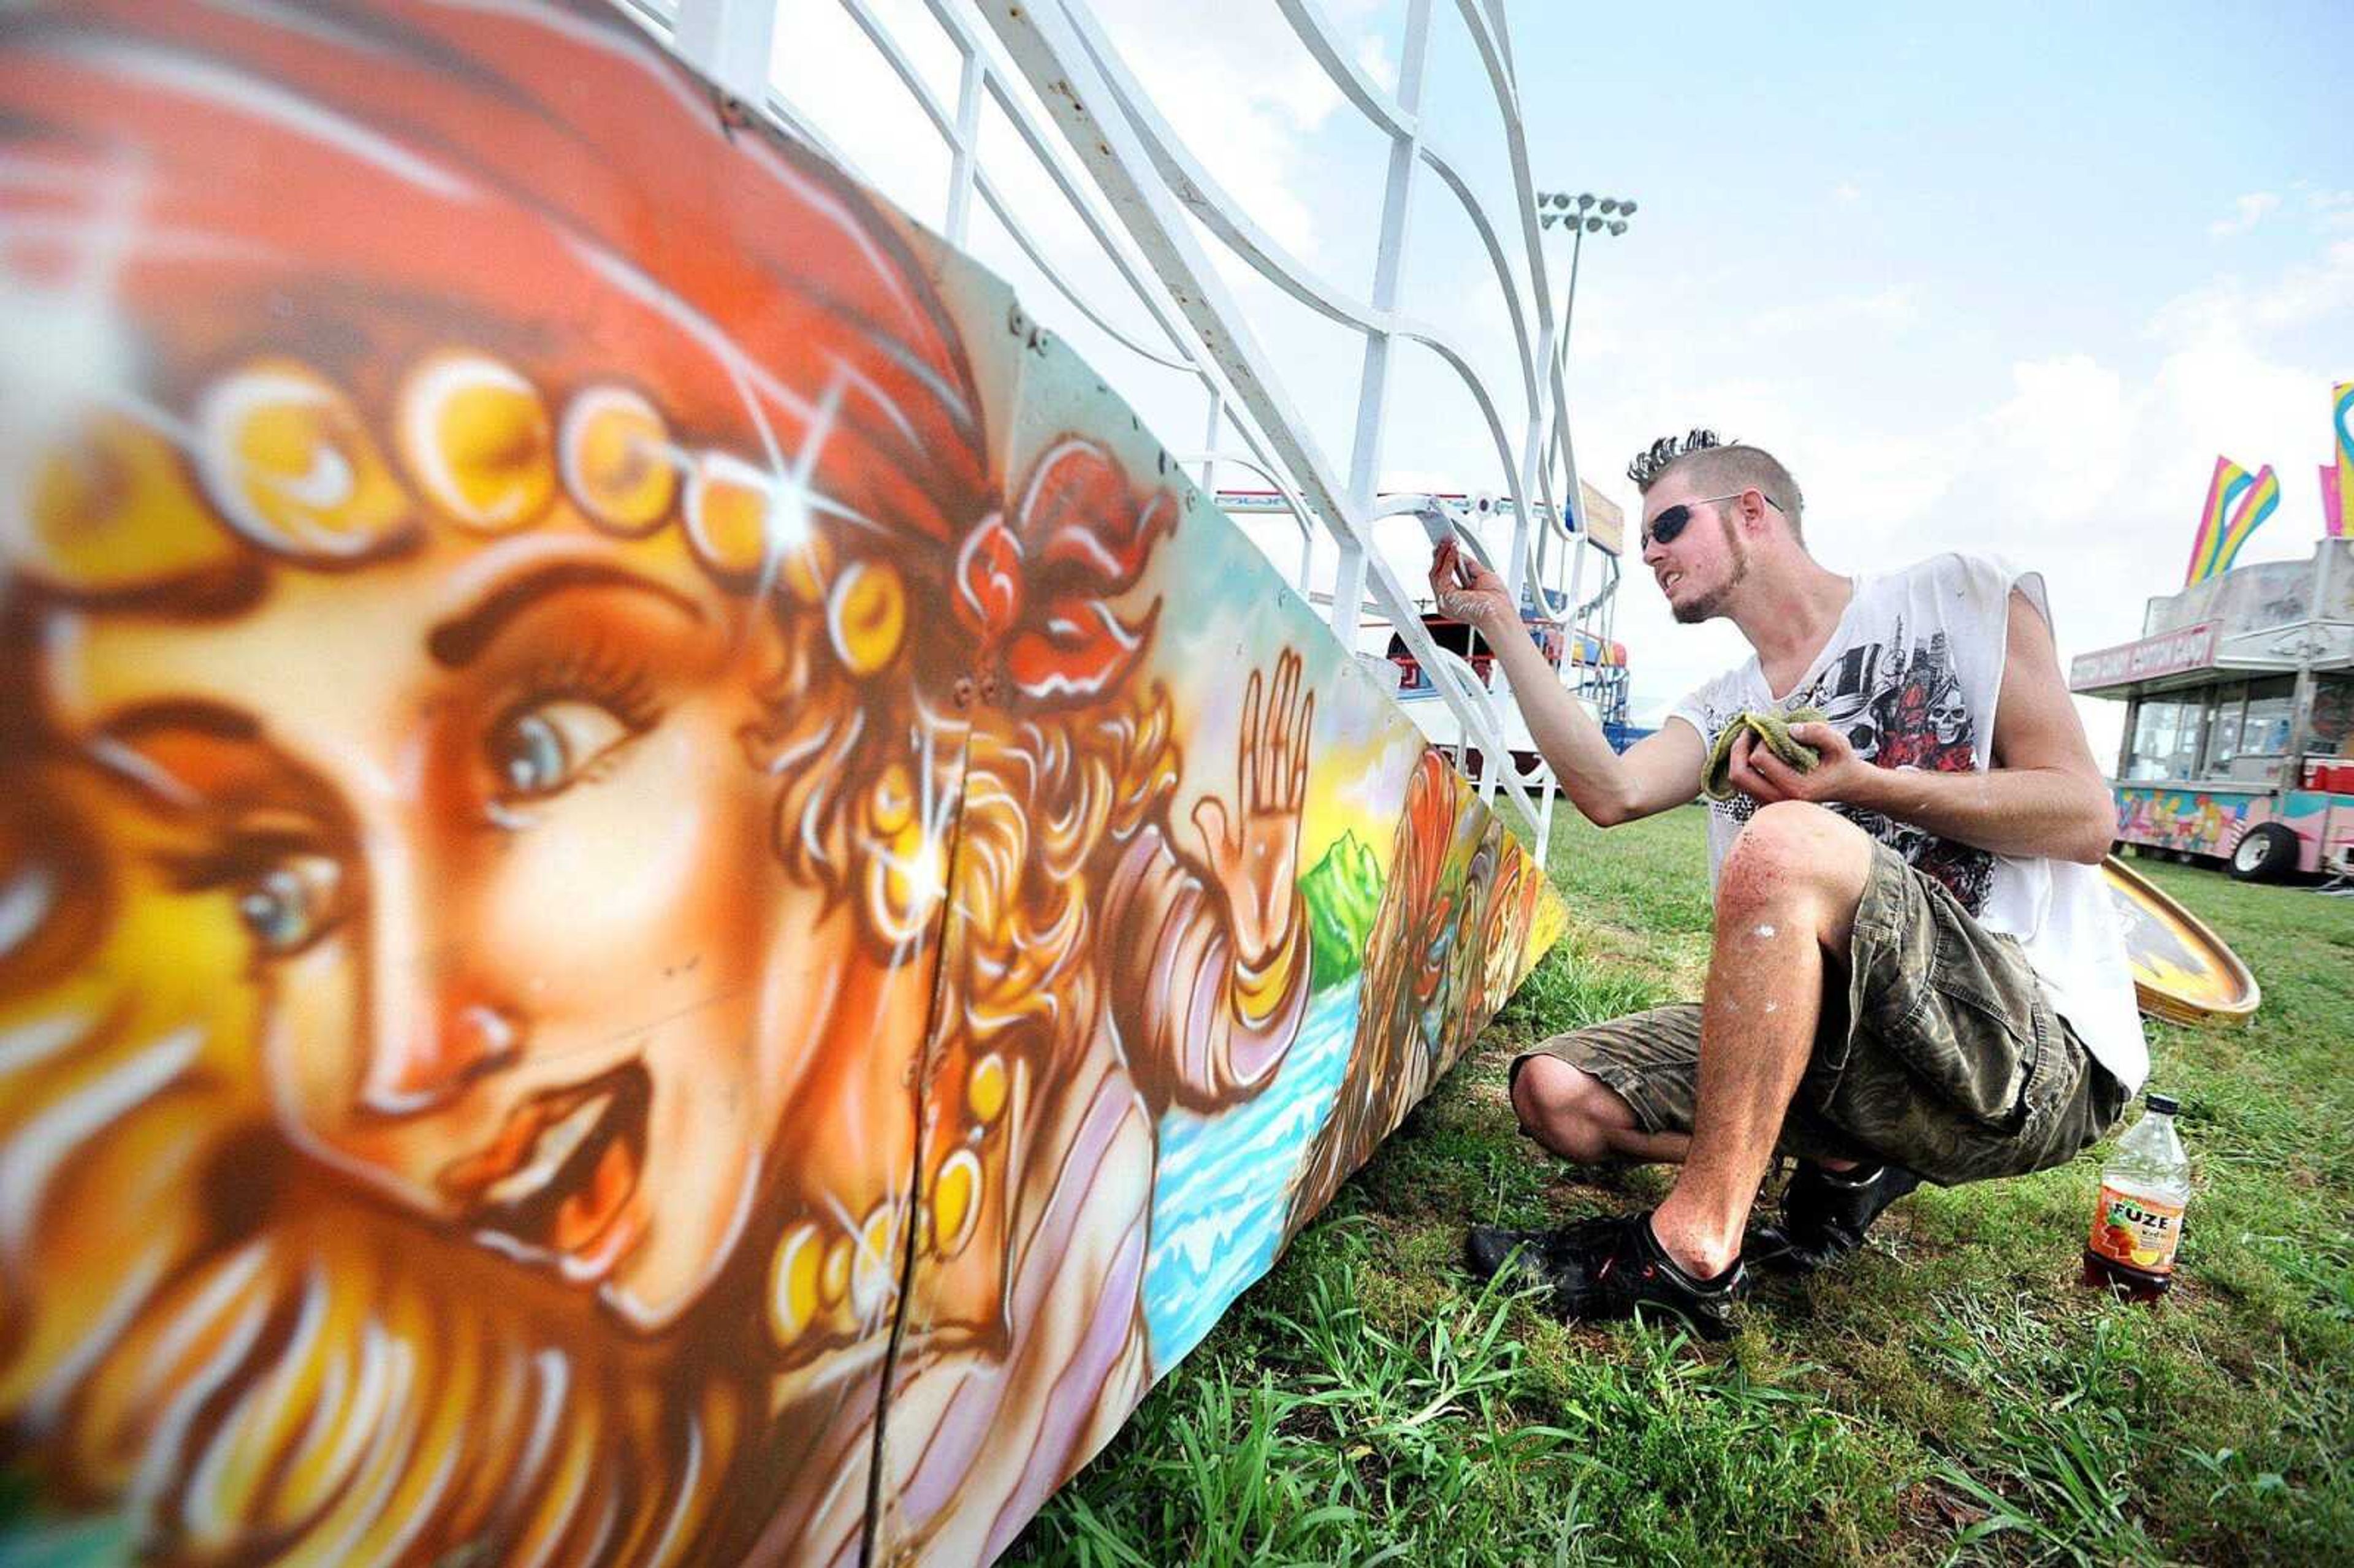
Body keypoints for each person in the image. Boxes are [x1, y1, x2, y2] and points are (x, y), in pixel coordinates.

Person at [1431, 430, 2144, 1338]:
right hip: (1849, 1055)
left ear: (1752, 514)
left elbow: (2084, 816)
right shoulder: (1723, 704)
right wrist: (1496, 620)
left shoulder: (1959, 592)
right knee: (1555, 1092)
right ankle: (1854, 1159)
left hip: (2021, 1050)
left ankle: (1692, 1249)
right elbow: (1609, 792)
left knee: (1787, 842)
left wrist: (1865, 787)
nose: (1649, 551)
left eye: (1670, 525)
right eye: (1644, 536)